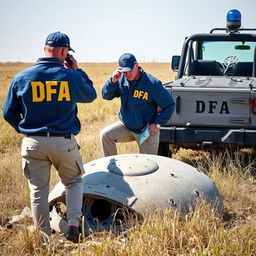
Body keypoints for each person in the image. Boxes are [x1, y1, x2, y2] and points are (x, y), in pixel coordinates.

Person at [2, 32, 97, 243]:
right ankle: (73, 226)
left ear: (45, 49)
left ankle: (43, 238)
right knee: (73, 181)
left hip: (33, 142)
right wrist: (77, 70)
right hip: (63, 142)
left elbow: (7, 112)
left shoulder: (22, 77)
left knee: (38, 192)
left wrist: (26, 130)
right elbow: (90, 95)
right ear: (64, 52)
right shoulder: (71, 76)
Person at [100, 53, 175, 156]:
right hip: (126, 126)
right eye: (124, 72)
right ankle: (113, 170)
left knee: (149, 165)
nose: (127, 75)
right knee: (105, 135)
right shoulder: (121, 79)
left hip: (146, 130)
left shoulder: (152, 84)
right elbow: (106, 96)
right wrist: (112, 82)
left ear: (136, 65)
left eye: (129, 71)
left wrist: (157, 124)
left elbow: (169, 105)